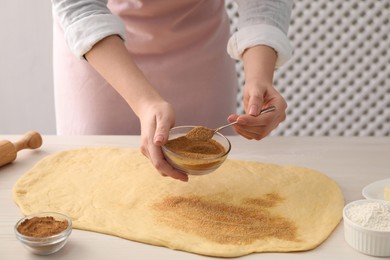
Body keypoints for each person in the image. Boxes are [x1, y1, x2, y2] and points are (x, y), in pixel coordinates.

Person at [51, 0, 292, 182]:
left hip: (200, 53)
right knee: (97, 179)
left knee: (207, 190)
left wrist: (260, 76)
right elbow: (79, 5)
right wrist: (143, 101)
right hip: (101, 54)